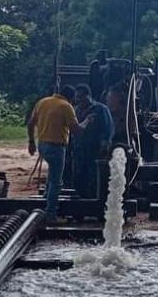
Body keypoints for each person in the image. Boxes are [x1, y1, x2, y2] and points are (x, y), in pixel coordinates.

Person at [28, 85, 92, 220]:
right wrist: (87, 121)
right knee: (57, 182)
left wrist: (31, 142)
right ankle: (50, 213)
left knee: (52, 173)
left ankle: (46, 196)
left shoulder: (43, 102)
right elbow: (77, 131)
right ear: (71, 97)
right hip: (56, 148)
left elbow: (30, 123)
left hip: (42, 146)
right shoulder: (66, 107)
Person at [72, 84, 114, 198]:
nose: (79, 99)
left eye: (81, 96)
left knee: (94, 175)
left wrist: (104, 146)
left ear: (88, 96)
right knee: (79, 175)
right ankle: (81, 201)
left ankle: (93, 200)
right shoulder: (75, 110)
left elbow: (107, 129)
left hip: (95, 149)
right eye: (77, 97)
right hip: (79, 149)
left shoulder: (101, 109)